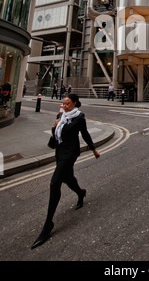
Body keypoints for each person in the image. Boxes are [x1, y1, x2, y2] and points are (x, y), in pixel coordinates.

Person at [31, 93, 100, 249]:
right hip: (60, 152)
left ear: (75, 103)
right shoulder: (60, 115)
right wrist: (54, 126)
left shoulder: (79, 117)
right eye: (63, 103)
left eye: (68, 103)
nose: (65, 106)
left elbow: (85, 134)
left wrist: (93, 149)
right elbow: (56, 136)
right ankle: (81, 192)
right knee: (68, 178)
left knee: (54, 183)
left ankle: (48, 224)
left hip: (71, 153)